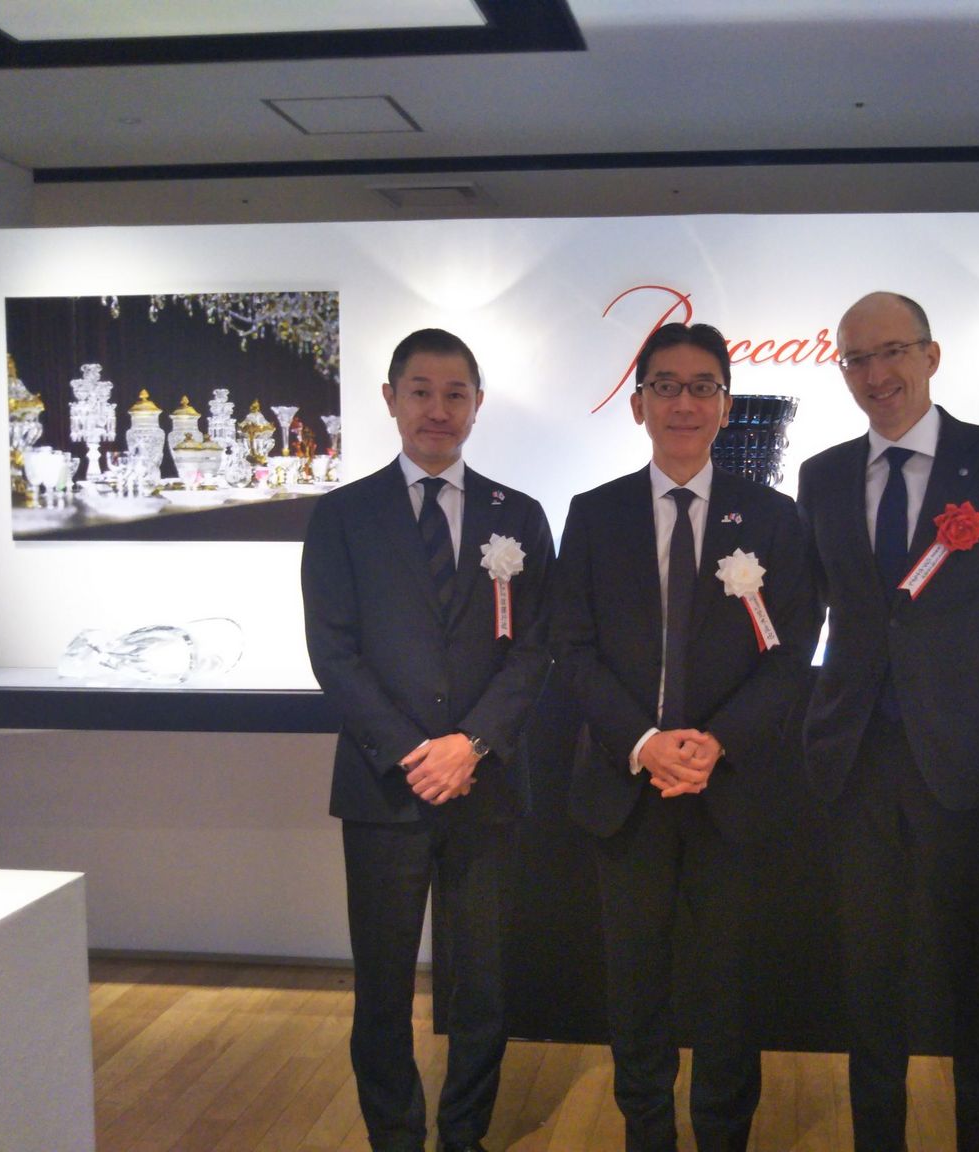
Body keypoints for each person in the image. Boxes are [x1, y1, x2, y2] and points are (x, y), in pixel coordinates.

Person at [797, 292, 979, 1152]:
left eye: (892, 351)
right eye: (856, 359)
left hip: (974, 764)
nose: (876, 374)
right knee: (868, 983)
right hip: (855, 765)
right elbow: (807, 616)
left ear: (931, 355)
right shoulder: (822, 475)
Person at [551, 322, 817, 1152]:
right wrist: (644, 741)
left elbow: (791, 653)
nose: (684, 403)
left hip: (730, 788)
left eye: (703, 387)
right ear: (638, 405)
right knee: (636, 986)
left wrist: (715, 743)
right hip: (626, 786)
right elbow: (572, 648)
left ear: (726, 406)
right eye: (665, 386)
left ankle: (724, 1136)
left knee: (730, 987)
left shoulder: (773, 517)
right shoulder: (593, 515)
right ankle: (647, 1133)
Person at [301, 328, 554, 1152]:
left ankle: (464, 1135)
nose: (437, 410)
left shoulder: (520, 516)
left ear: (478, 405)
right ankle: (395, 1137)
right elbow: (333, 653)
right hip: (385, 787)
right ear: (390, 399)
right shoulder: (342, 515)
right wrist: (420, 754)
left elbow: (536, 650)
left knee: (483, 986)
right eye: (421, 392)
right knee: (381, 987)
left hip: (487, 788)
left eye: (455, 394)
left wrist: (470, 744)